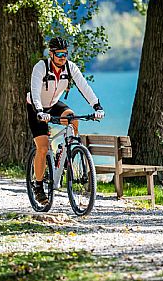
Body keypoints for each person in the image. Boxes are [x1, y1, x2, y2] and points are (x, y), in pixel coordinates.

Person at [26, 37, 105, 205]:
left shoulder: (70, 68)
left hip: (54, 105)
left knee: (73, 119)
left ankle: (66, 152)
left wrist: (97, 106)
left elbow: (84, 87)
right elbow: (34, 92)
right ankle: (38, 186)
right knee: (43, 147)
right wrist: (40, 111)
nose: (63, 57)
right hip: (36, 107)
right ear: (51, 54)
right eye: (59, 54)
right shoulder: (41, 67)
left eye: (65, 54)